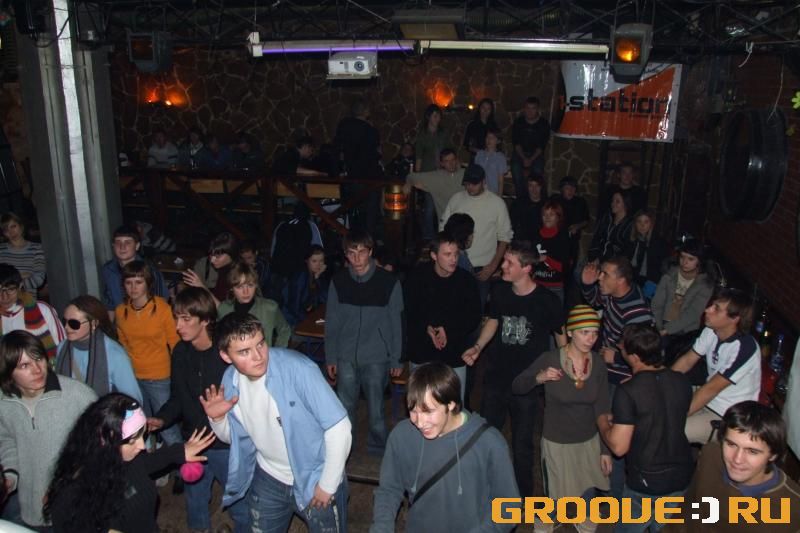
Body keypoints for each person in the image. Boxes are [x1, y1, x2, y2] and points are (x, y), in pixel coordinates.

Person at [200, 313, 352, 532]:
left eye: (260, 344)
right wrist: (217, 418)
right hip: (269, 477)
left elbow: (340, 428)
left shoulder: (299, 369)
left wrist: (328, 484)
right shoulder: (230, 380)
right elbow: (234, 438)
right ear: (226, 356)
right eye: (244, 352)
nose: (258, 356)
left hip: (315, 475)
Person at [461, 242, 564, 497]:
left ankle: (524, 500)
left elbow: (561, 337)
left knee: (522, 446)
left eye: (509, 263)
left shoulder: (547, 301)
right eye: (504, 260)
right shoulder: (500, 291)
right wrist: (478, 347)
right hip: (496, 378)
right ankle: (483, 492)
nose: (503, 266)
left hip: (527, 383)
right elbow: (494, 321)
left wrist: (565, 369)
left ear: (527, 268)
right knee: (486, 437)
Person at [370, 362, 518, 533]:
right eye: (413, 411)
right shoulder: (402, 436)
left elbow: (510, 508)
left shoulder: (489, 443)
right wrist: (381, 528)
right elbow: (388, 490)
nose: (420, 422)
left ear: (451, 404)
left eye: (428, 411)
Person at [146, 287, 249, 532]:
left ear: (205, 320)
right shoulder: (181, 352)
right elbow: (178, 398)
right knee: (195, 503)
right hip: (194, 443)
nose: (178, 326)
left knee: (240, 505)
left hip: (225, 445)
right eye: (176, 318)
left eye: (185, 319)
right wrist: (161, 419)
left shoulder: (225, 355)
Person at [46, 393, 215, 533]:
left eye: (143, 435)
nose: (142, 446)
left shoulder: (125, 458)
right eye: (132, 440)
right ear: (105, 442)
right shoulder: (72, 492)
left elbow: (145, 464)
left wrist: (180, 452)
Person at [512, 305, 611, 533]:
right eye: (584, 332)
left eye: (595, 333)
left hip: (589, 441)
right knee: (555, 496)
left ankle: (582, 523)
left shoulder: (597, 363)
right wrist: (539, 378)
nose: (591, 339)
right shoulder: (551, 359)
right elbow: (517, 386)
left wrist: (605, 450)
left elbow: (603, 407)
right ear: (570, 332)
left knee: (587, 493)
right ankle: (547, 522)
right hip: (557, 441)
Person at [596, 324, 694, 533]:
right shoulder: (681, 381)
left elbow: (619, 447)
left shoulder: (629, 390)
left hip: (646, 483)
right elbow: (661, 415)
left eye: (623, 348)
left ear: (634, 357)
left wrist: (602, 421)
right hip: (681, 477)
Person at [0, 331, 96, 528]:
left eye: (39, 359)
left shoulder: (78, 395)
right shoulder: (4, 404)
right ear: (8, 372)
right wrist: (9, 475)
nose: (37, 370)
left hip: (74, 507)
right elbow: (7, 440)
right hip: (30, 507)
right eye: (24, 365)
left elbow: (101, 446)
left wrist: (67, 484)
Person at [665, 401, 800, 533]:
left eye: (752, 451)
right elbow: (690, 503)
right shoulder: (711, 455)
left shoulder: (792, 507)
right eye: (731, 444)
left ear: (773, 455)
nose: (737, 459)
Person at [325, 229, 403, 455]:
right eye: (351, 253)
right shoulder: (338, 281)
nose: (357, 258)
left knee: (376, 408)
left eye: (361, 252)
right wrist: (331, 357)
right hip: (345, 355)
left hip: (377, 355)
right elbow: (332, 322)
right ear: (345, 255)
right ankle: (344, 448)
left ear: (370, 252)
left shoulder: (388, 282)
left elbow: (397, 324)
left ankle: (378, 448)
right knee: (345, 406)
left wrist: (396, 358)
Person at [671, 288, 761, 444]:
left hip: (728, 414)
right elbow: (687, 361)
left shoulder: (745, 348)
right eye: (711, 305)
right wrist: (660, 383)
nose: (707, 310)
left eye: (716, 308)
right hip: (707, 397)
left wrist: (674, 417)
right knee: (654, 403)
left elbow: (711, 389)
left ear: (735, 319)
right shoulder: (711, 330)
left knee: (671, 429)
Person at [404, 232, 481, 403]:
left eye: (456, 254)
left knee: (455, 405)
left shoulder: (466, 280)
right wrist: (426, 328)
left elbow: (474, 316)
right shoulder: (417, 277)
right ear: (434, 255)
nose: (453, 259)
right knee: (421, 402)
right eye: (447, 254)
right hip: (422, 352)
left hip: (454, 353)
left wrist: (450, 330)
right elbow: (409, 311)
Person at [115, 260, 182, 447]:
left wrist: (179, 373)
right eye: (129, 282)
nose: (133, 287)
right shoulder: (121, 311)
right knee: (137, 423)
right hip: (133, 376)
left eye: (138, 282)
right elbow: (123, 344)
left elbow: (175, 343)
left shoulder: (162, 308)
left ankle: (183, 462)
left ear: (148, 283)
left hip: (159, 376)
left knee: (166, 427)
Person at [440, 164, 513, 307]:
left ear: (483, 181)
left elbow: (505, 237)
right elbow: (443, 230)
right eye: (467, 184)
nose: (470, 187)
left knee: (477, 309)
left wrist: (492, 266)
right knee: (453, 306)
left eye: (474, 184)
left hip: (482, 269)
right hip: (456, 264)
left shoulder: (497, 203)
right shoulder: (456, 199)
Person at [54, 295, 142, 402]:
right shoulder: (62, 347)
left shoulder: (115, 355)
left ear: (93, 324)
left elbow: (133, 400)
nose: (66, 327)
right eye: (64, 321)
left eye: (74, 323)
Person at [580, 256, 654, 383]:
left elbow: (647, 355)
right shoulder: (614, 293)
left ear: (621, 280)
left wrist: (616, 357)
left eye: (605, 274)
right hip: (606, 363)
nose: (599, 277)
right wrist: (587, 285)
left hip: (622, 376)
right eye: (600, 272)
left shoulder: (637, 314)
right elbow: (595, 300)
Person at [334, 98, 382, 234]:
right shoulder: (370, 131)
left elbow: (337, 150)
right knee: (370, 212)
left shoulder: (343, 127)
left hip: (349, 177)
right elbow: (375, 154)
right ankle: (368, 239)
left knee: (352, 211)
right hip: (367, 178)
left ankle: (351, 237)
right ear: (365, 111)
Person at [101, 224, 169, 319]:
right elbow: (110, 305)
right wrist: (109, 327)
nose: (122, 247)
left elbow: (161, 302)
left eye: (128, 242)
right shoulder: (108, 270)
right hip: (122, 322)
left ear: (137, 246)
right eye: (118, 242)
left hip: (148, 320)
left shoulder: (149, 270)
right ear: (113, 245)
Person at [218, 262, 291, 348]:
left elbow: (284, 330)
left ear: (256, 285)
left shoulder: (270, 308)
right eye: (240, 287)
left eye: (250, 285)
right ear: (231, 288)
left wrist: (276, 352)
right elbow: (218, 336)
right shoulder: (223, 309)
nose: (246, 292)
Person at [0, 264, 64, 360]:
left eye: (11, 289)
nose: (5, 296)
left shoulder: (42, 309)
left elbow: (62, 346)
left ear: (20, 286)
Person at [652, 238, 714, 337]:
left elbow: (693, 313)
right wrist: (659, 327)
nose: (685, 262)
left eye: (691, 259)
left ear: (700, 261)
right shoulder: (669, 275)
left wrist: (667, 330)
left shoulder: (705, 283)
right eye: (682, 257)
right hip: (662, 322)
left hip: (686, 329)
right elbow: (657, 303)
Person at [268, 203, 323, 305]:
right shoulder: (311, 226)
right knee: (296, 304)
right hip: (299, 274)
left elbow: (272, 252)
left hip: (278, 272)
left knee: (276, 305)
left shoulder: (281, 225)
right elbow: (318, 251)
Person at [415, 104, 454, 241]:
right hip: (429, 176)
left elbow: (451, 152)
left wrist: (453, 168)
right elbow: (419, 157)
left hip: (443, 174)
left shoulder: (443, 134)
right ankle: (429, 236)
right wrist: (417, 177)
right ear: (428, 117)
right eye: (435, 116)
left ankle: (443, 235)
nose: (437, 119)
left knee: (444, 205)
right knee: (430, 207)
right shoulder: (422, 135)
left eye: (439, 116)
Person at [403, 148, 464, 230]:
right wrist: (408, 183)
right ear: (442, 164)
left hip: (465, 221)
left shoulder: (465, 174)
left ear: (457, 160)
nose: (451, 163)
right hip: (446, 224)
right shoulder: (436, 177)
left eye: (453, 160)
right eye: (447, 161)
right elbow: (412, 176)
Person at [510, 96, 550, 200]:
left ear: (537, 109)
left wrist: (530, 159)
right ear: (524, 109)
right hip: (520, 153)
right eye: (528, 108)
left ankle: (536, 199)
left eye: (533, 108)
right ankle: (521, 199)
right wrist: (524, 158)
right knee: (516, 169)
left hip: (536, 155)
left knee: (537, 172)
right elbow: (516, 143)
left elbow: (541, 146)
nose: (530, 111)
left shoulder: (544, 124)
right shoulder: (518, 122)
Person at [184, 231, 239, 305]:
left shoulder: (237, 275)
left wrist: (201, 286)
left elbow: (223, 309)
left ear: (231, 254)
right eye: (211, 255)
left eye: (218, 256)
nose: (212, 260)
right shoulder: (224, 268)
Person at [624, 209, 669, 299]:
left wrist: (653, 283)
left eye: (646, 222)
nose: (642, 225)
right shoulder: (631, 241)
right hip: (632, 279)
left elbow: (660, 266)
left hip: (651, 281)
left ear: (651, 223)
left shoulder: (658, 242)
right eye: (639, 221)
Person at [532, 200, 570, 304]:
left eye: (551, 214)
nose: (547, 217)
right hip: (537, 285)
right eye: (545, 214)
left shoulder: (562, 237)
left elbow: (564, 267)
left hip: (555, 287)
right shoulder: (536, 235)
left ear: (558, 217)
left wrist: (546, 259)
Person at [0, 213, 45, 299]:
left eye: (13, 226)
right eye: (6, 229)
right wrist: (23, 275)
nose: (11, 232)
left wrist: (10, 280)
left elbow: (38, 280)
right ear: (3, 233)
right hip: (4, 302)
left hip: (28, 301)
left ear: (21, 226)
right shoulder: (1, 250)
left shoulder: (37, 248)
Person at [283, 245, 329, 328]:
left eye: (321, 261)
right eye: (314, 261)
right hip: (292, 322)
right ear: (307, 261)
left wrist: (317, 278)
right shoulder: (300, 276)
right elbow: (294, 307)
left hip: (307, 317)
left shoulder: (318, 275)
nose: (318, 265)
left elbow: (325, 299)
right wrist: (310, 321)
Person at [550, 176, 589, 266]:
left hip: (572, 242)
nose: (570, 190)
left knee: (570, 266)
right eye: (567, 188)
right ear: (562, 189)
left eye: (573, 188)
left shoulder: (580, 202)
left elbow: (586, 220)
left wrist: (577, 226)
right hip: (556, 240)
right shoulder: (555, 200)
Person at [587, 191, 633, 263]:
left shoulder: (630, 224)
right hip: (596, 259)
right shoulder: (607, 218)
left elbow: (626, 250)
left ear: (626, 203)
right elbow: (596, 238)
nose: (613, 204)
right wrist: (593, 257)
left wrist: (602, 260)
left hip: (615, 264)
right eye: (612, 201)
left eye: (617, 201)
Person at [510, 173, 547, 244]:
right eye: (531, 186)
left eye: (537, 185)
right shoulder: (518, 204)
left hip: (542, 241)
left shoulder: (547, 204)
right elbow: (512, 224)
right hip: (523, 242)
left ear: (541, 187)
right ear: (527, 187)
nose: (534, 189)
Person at [474, 129, 508, 195]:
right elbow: (475, 174)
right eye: (487, 137)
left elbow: (500, 181)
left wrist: (499, 197)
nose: (489, 140)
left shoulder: (500, 157)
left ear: (498, 141)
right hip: (479, 192)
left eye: (492, 137)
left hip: (492, 193)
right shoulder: (479, 154)